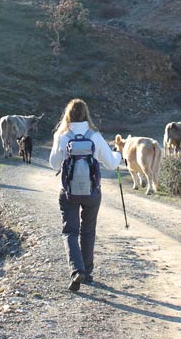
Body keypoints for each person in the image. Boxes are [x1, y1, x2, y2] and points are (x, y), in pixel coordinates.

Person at [49, 98, 122, 292]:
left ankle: (76, 270)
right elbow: (112, 164)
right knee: (88, 231)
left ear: (68, 115)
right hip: (92, 192)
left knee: (70, 232)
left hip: (68, 193)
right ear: (86, 114)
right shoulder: (95, 135)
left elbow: (54, 164)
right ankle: (88, 273)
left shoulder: (62, 135)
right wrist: (119, 154)